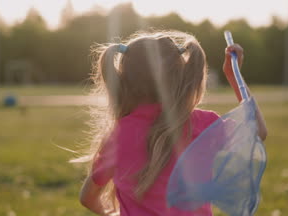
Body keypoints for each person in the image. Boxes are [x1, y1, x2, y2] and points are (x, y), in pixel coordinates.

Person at [75, 30, 267, 216]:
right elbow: (258, 131)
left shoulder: (118, 134)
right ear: (182, 77)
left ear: (125, 81)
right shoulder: (202, 124)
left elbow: (88, 198)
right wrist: (235, 77)